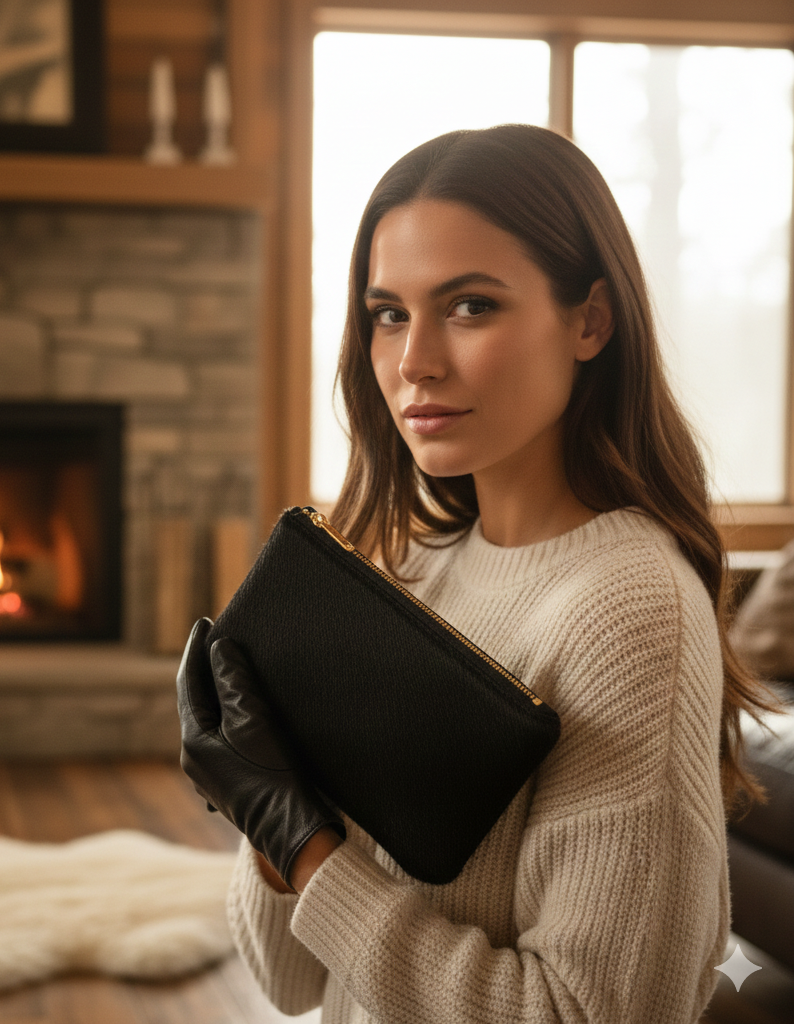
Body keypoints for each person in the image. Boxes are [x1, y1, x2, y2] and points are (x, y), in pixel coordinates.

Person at [176, 124, 781, 1023]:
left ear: (591, 321)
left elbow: (584, 1014)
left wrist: (304, 843)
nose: (414, 360)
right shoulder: (411, 570)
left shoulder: (630, 611)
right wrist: (267, 810)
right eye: (389, 313)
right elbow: (291, 981)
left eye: (469, 306)